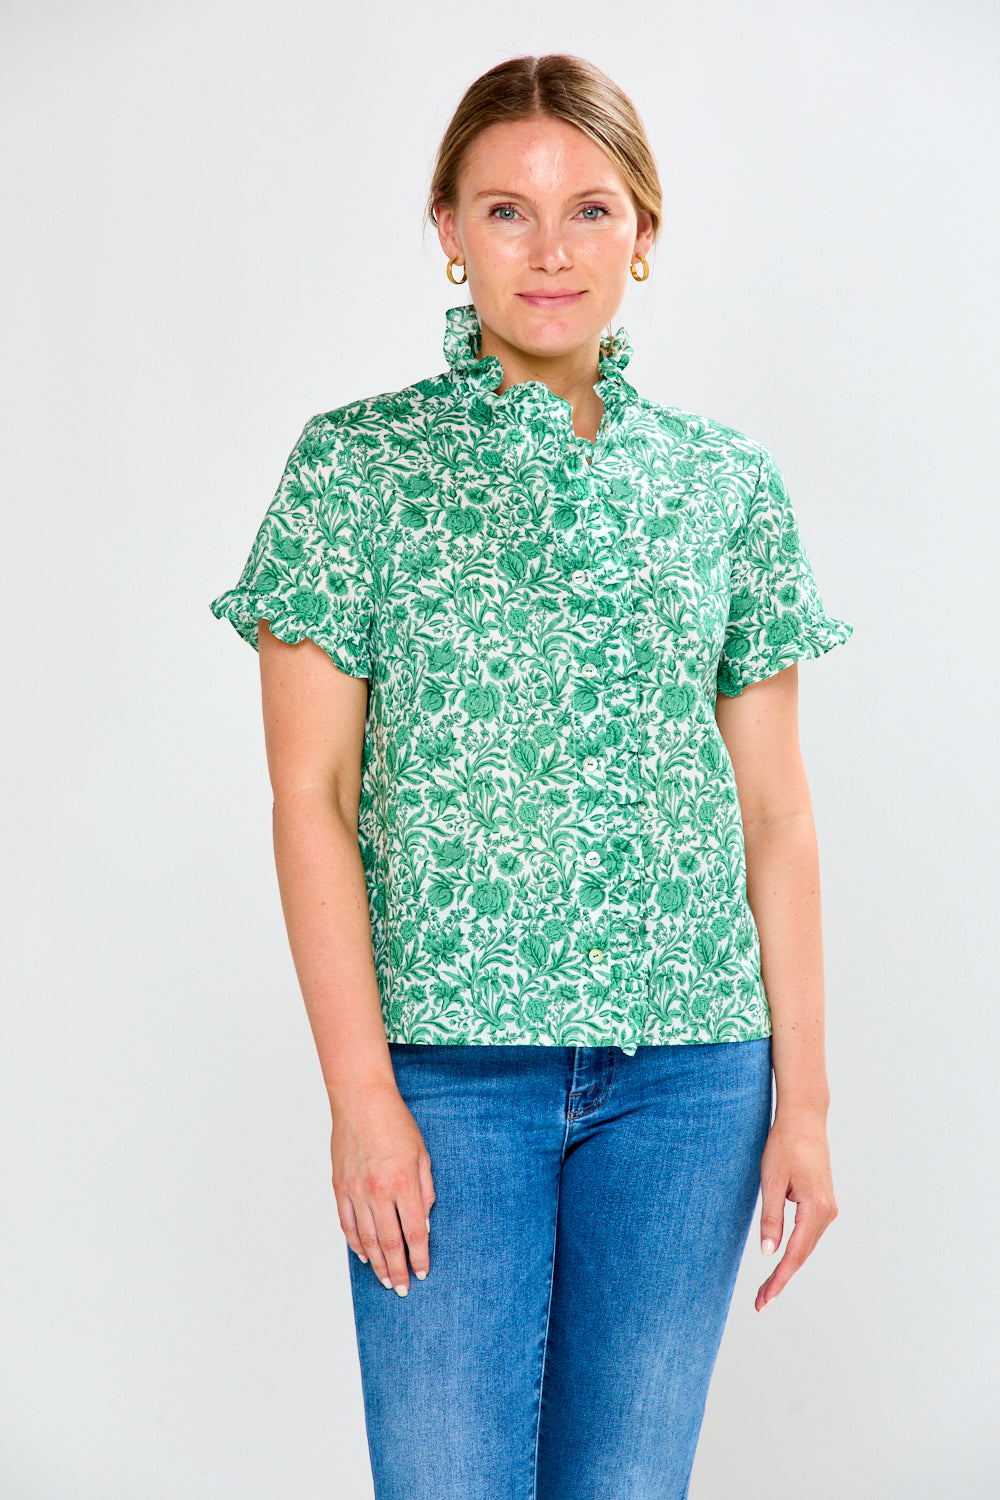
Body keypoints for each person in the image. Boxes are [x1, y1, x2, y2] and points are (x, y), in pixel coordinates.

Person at [210, 52, 853, 1500]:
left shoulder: (724, 484)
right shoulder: (353, 473)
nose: (549, 251)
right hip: (444, 1077)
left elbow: (777, 810)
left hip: (689, 1078)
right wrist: (362, 1098)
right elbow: (307, 801)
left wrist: (802, 1105)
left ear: (648, 233)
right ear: (446, 229)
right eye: (505, 211)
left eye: (590, 210)